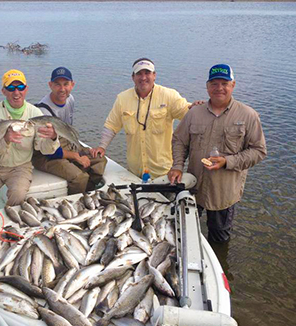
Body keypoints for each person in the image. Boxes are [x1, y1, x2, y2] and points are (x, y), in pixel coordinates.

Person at [168, 64, 267, 243]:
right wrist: (177, 166)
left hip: (224, 193)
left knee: (219, 237)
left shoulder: (248, 115)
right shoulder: (194, 113)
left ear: (233, 85)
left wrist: (227, 161)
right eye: (214, 83)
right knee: (183, 232)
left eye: (224, 83)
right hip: (193, 187)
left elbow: (259, 151)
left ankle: (217, 265)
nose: (219, 88)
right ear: (207, 86)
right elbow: (179, 140)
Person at [90, 58, 196, 179]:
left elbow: (186, 113)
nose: (143, 77)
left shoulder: (169, 96)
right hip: (134, 172)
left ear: (154, 75)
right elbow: (111, 126)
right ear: (133, 77)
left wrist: (197, 108)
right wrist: (102, 147)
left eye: (147, 73)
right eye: (139, 74)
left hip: (163, 172)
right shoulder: (122, 99)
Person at [0, 69, 59, 212]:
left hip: (20, 166)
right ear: (3, 91)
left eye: (20, 87)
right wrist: (5, 139)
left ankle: (10, 226)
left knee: (18, 195)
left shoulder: (35, 114)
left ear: (26, 89)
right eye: (11, 88)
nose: (16, 92)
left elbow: (43, 148)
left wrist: (52, 137)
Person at [33, 67, 107, 194]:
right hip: (46, 154)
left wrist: (85, 150)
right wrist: (76, 156)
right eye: (57, 85)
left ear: (72, 85)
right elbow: (49, 152)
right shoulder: (42, 112)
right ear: (50, 85)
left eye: (66, 84)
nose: (62, 89)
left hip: (66, 144)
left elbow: (68, 131)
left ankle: (88, 193)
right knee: (79, 177)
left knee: (100, 160)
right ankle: (73, 205)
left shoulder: (70, 99)